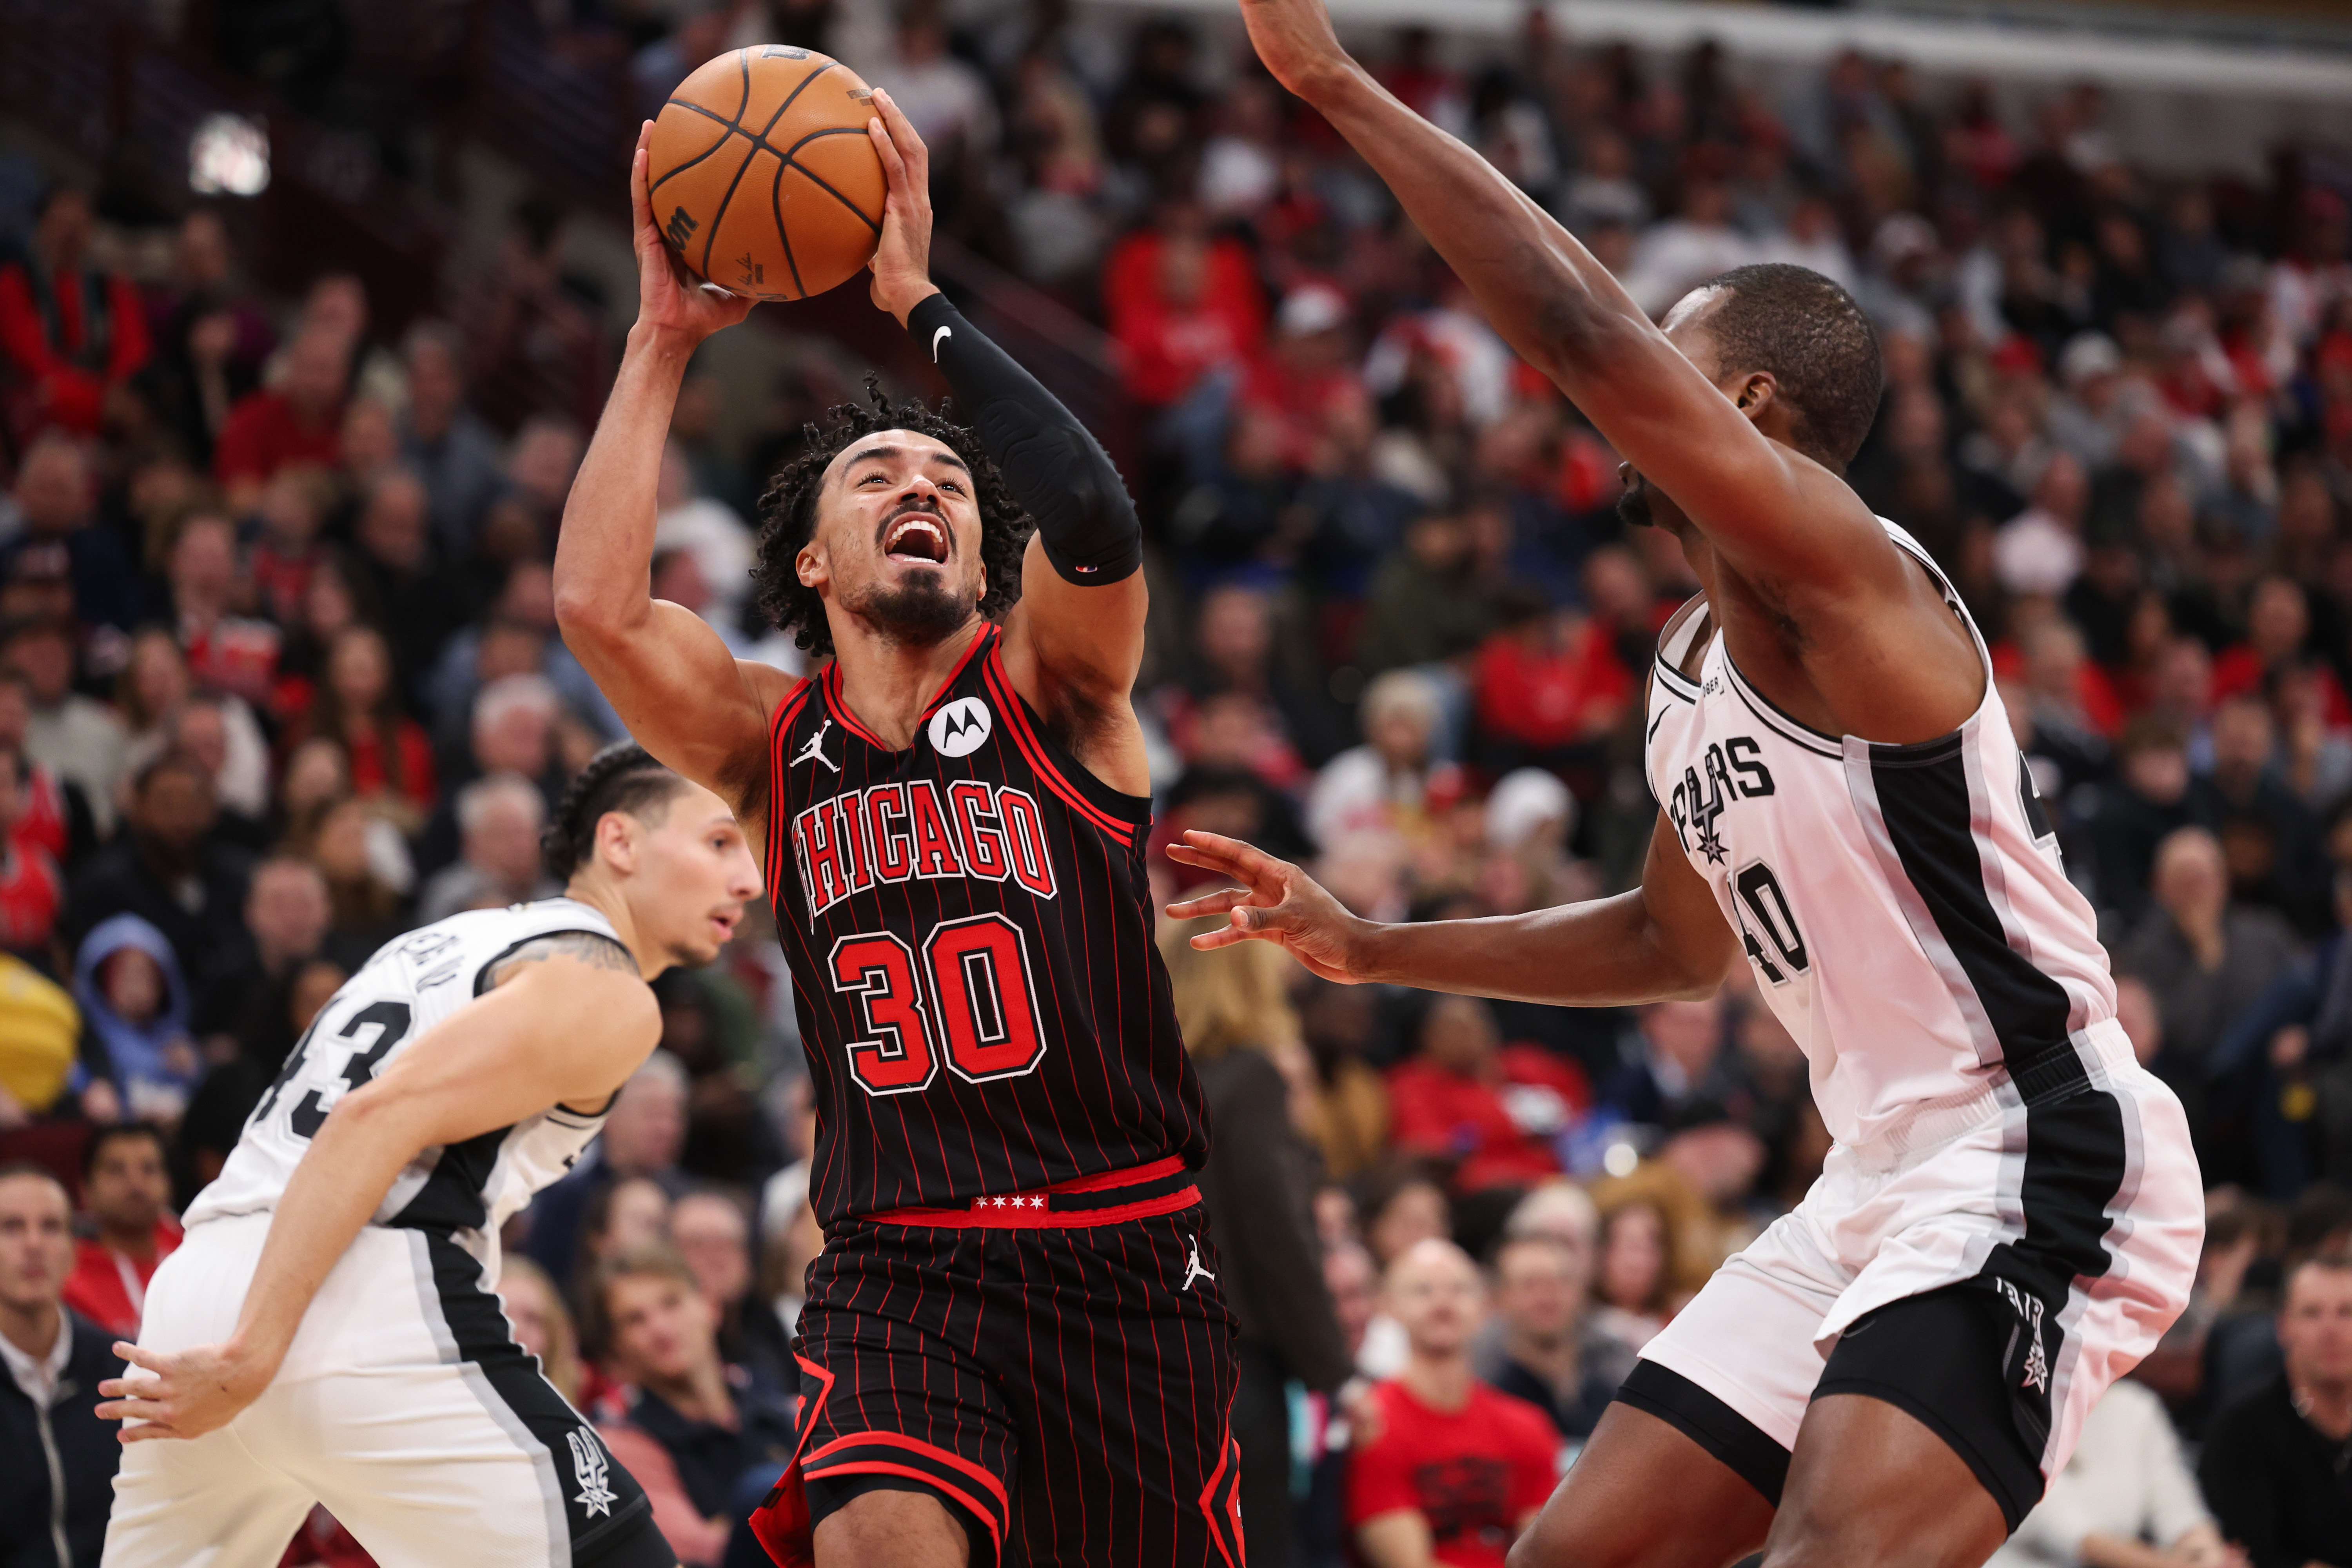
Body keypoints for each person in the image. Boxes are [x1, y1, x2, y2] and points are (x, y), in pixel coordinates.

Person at [1172, 6, 2205, 1565]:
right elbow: (1674, 946)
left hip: (2038, 1143)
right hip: (1871, 1178)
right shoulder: (1686, 666)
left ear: (1757, 416)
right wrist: (1377, 949)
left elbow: (1580, 335)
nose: (1636, 378)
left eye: (1683, 352)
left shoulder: (1848, 582)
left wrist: (1332, 83)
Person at [553, 96, 1236, 1568]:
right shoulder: (767, 743)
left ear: (989, 559)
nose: (919, 488)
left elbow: (1101, 520)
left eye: (947, 488)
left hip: (1124, 1250)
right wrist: (661, 338)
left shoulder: (1055, 685)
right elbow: (598, 613)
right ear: (811, 557)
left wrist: (918, 301)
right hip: (896, 1259)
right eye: (879, 478)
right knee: (873, 1533)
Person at [93, 743, 763, 1568]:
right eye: (721, 842)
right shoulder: (607, 988)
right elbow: (376, 1116)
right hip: (347, 1292)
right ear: (620, 841)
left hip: (201, 1282)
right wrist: (254, 1351)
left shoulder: (450, 937)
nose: (750, 879)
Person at [1344, 1238, 1560, 1568]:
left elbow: (1549, 1555)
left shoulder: (1528, 1425)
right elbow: (1407, 1564)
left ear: (1487, 1306)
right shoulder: (1373, 1422)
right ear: (1388, 1306)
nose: (1443, 1303)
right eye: (1423, 1290)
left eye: (1459, 1290)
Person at [588, 1244, 799, 1568]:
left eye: (671, 1303)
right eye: (635, 1320)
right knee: (761, 1493)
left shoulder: (777, 1407)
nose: (660, 1328)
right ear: (615, 1357)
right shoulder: (622, 1444)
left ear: (710, 1306)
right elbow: (692, 1554)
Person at [0, 1163, 125, 1568]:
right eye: (12, 1227)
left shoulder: (121, 1369)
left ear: (74, 1251)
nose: (34, 1244)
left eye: (52, 1227)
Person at [2198, 1251, 2352, 1568]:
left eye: (2347, 1313)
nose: (2331, 1330)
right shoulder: (2241, 1429)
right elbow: (2248, 1553)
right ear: (2284, 1327)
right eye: (2312, 1314)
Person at [1986, 1378, 2232, 1568]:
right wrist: (2169, 1565)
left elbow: (2179, 1507)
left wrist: (2207, 1554)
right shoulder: (2009, 1406)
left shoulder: (2135, 1406)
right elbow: (2065, 1530)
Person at [1476, 1233, 1637, 1447]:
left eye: (1561, 1281)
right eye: (1530, 1285)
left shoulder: (1618, 1372)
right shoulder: (1483, 1386)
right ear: (1500, 1297)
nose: (1547, 1296)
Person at [60, 1124, 181, 1342]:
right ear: (85, 1190)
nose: (136, 1185)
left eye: (149, 1169)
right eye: (116, 1170)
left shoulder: (196, 1251)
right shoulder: (66, 1276)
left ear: (169, 1183)